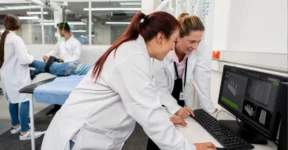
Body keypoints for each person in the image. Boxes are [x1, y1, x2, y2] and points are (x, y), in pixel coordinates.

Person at [41, 11, 216, 150]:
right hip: (77, 138)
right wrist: (190, 148)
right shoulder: (132, 57)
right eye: (173, 41)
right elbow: (148, 113)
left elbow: (140, 102)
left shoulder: (134, 51)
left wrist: (167, 117)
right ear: (161, 37)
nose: (172, 47)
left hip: (86, 134)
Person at [147, 12, 217, 150]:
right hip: (162, 99)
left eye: (199, 41)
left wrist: (212, 115)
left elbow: (203, 83)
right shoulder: (163, 51)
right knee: (161, 136)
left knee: (184, 134)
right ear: (177, 37)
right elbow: (160, 88)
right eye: (191, 41)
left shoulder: (199, 50)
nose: (196, 46)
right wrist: (175, 109)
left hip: (183, 96)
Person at [0, 14, 44, 140]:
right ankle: (24, 132)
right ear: (19, 25)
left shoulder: (1, 38)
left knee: (13, 100)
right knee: (25, 100)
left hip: (8, 77)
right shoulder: (16, 39)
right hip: (18, 77)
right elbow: (24, 60)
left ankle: (16, 125)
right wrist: (32, 57)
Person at [44, 22, 82, 116]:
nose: (58, 32)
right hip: (60, 68)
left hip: (70, 69)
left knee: (68, 90)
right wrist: (47, 55)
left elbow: (76, 58)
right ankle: (56, 108)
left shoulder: (76, 43)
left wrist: (64, 60)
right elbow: (55, 51)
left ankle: (69, 110)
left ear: (63, 30)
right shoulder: (60, 41)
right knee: (57, 88)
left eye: (58, 30)